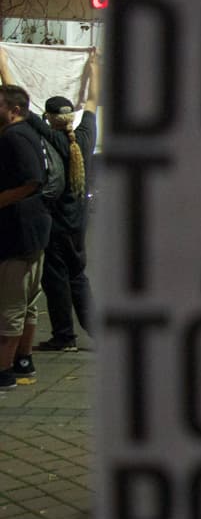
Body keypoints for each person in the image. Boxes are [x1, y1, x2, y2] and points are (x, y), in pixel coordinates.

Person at [29, 94, 97, 351]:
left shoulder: (51, 137)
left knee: (55, 279)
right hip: (79, 223)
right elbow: (91, 102)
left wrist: (2, 65)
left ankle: (64, 336)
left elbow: (22, 104)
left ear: (49, 118)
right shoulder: (86, 137)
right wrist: (93, 69)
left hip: (56, 223)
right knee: (78, 275)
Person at [0, 86, 54, 389]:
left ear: (15, 110)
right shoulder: (29, 134)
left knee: (9, 305)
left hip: (17, 233)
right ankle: (23, 360)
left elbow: (31, 181)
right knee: (27, 302)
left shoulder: (13, 137)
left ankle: (4, 371)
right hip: (33, 231)